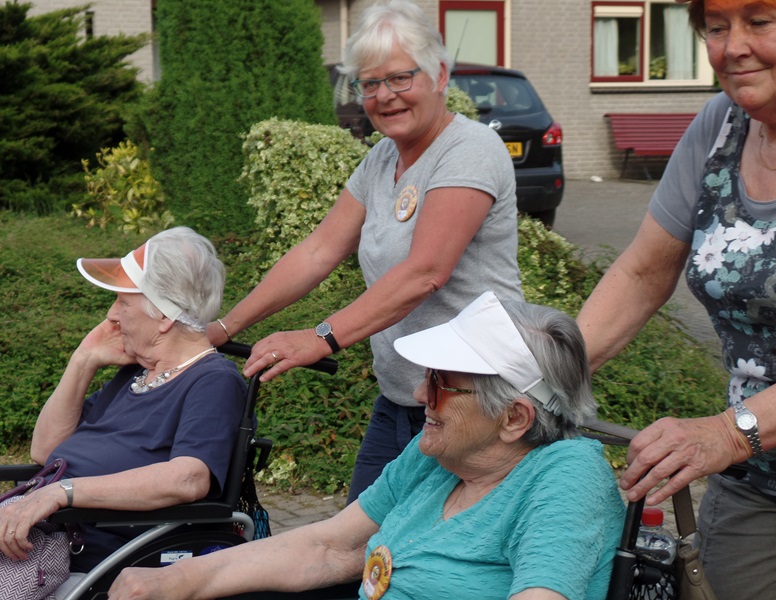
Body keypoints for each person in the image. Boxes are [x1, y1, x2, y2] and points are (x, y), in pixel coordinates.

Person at [109, 291, 624, 600]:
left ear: (514, 418)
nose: (422, 395)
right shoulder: (440, 458)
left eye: (442, 383)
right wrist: (178, 581)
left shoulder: (565, 475)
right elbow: (328, 545)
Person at [207, 0, 523, 504]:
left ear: (440, 74)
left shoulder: (470, 150)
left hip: (476, 406)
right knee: (357, 555)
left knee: (428, 569)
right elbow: (317, 251)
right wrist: (223, 328)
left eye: (400, 78)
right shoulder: (381, 159)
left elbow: (425, 273)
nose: (384, 96)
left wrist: (320, 337)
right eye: (369, 84)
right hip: (403, 399)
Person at [576, 0, 776, 597]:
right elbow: (643, 273)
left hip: (741, 438)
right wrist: (541, 376)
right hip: (760, 477)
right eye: (717, 27)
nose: (732, 47)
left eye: (760, 21)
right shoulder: (720, 126)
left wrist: (726, 434)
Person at [0, 226, 246, 598]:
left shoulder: (213, 380)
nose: (112, 315)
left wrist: (61, 493)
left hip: (86, 558)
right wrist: (82, 361)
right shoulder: (134, 375)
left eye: (122, 302)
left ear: (163, 316)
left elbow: (188, 478)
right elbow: (45, 451)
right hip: (43, 541)